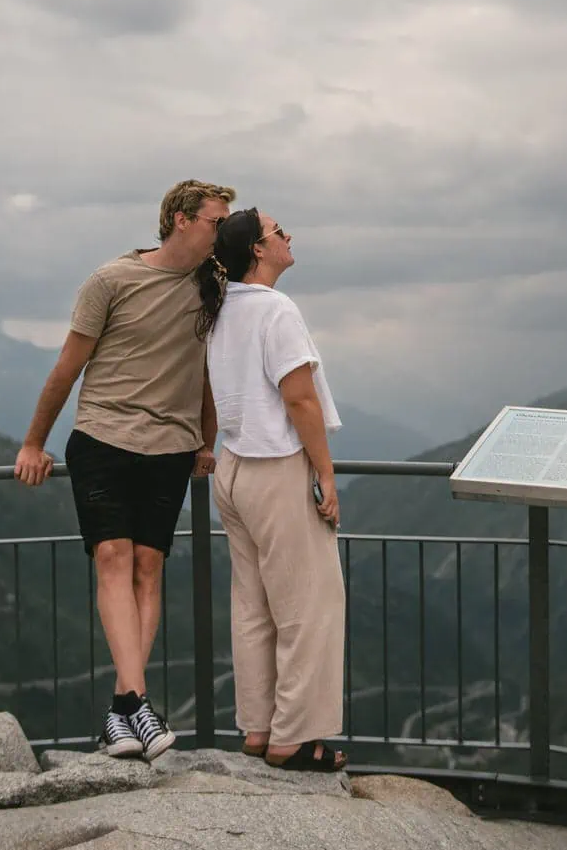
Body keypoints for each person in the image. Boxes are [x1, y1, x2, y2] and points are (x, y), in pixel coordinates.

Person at [13, 179, 233, 760]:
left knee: (147, 569)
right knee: (113, 556)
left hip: (171, 447)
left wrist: (205, 442)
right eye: (216, 221)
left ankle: (120, 713)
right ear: (182, 219)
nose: (223, 231)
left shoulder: (212, 285)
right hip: (103, 438)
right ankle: (138, 703)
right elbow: (67, 368)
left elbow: (206, 372)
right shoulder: (111, 280)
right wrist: (34, 443)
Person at [197, 207, 348, 772]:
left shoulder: (221, 309)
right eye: (277, 231)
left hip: (234, 469)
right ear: (258, 251)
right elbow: (299, 398)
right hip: (276, 468)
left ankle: (259, 729)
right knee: (309, 604)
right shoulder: (275, 309)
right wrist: (325, 474)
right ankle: (295, 738)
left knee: (253, 606)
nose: (288, 236)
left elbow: (212, 391)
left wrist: (207, 444)